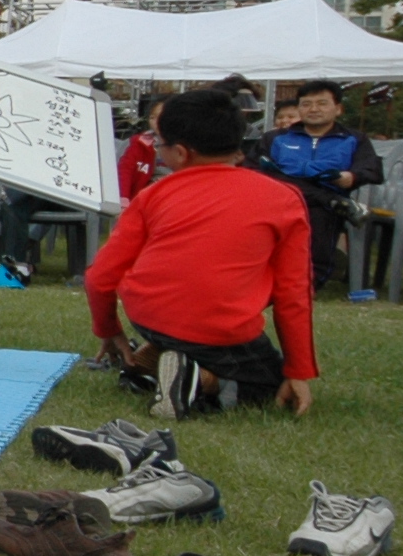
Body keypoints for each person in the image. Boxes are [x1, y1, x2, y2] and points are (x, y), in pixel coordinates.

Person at [87, 87, 315, 419]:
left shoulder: (154, 195)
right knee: (268, 384)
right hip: (220, 327)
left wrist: (109, 329)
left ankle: (158, 360)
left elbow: (99, 277)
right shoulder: (283, 197)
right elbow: (294, 292)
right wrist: (299, 370)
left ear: (180, 152)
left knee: (185, 330)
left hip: (149, 318)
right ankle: (201, 380)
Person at [259, 79, 380, 292]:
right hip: (277, 199)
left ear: (338, 109)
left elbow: (372, 170)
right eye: (306, 104)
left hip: (323, 206)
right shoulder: (276, 138)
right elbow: (255, 169)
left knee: (318, 213)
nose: (313, 109)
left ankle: (308, 283)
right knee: (279, 182)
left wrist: (351, 176)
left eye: (322, 103)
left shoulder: (353, 139)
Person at [114, 93, 168, 205]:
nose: (156, 122)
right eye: (152, 117)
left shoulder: (192, 145)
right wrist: (123, 200)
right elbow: (124, 171)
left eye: (162, 116)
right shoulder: (138, 143)